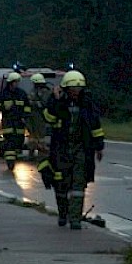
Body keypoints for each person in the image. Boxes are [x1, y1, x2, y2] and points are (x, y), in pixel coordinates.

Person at [43, 70, 104, 229]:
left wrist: (99, 146)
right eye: (72, 89)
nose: (75, 92)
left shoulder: (87, 103)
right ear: (65, 88)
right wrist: (56, 100)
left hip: (81, 149)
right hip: (61, 150)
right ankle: (63, 213)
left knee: (78, 184)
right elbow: (49, 118)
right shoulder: (57, 101)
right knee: (61, 184)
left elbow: (95, 126)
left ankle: (75, 219)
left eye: (78, 89)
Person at [0, 72, 31, 170]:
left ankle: (13, 157)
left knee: (18, 142)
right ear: (10, 82)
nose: (17, 84)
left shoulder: (21, 93)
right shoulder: (4, 94)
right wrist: (4, 107)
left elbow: (27, 106)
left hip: (19, 122)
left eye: (18, 82)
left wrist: (25, 116)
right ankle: (10, 162)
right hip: (8, 122)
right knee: (9, 142)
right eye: (15, 82)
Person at [26, 72, 52, 158]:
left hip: (40, 116)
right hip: (31, 117)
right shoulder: (33, 91)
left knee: (40, 136)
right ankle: (31, 151)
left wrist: (33, 103)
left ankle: (42, 153)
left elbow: (44, 104)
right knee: (32, 136)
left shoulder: (45, 92)